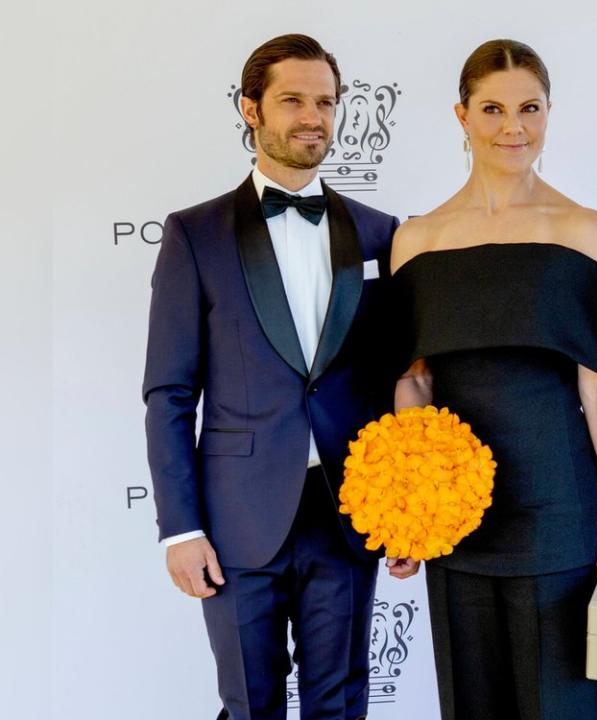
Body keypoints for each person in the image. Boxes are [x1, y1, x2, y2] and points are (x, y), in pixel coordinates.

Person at [386, 39, 597, 720]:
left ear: (549, 113)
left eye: (529, 108)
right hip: (457, 527)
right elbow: (415, 385)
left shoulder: (584, 231)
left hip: (557, 521)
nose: (513, 127)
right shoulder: (418, 239)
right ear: (461, 115)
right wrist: (411, 507)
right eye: (493, 109)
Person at [143, 34, 399, 720]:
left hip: (348, 514)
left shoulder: (381, 234)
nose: (313, 116)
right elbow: (169, 393)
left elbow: (397, 383)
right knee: (251, 705)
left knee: (340, 704)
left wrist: (405, 514)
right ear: (251, 109)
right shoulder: (195, 234)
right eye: (293, 100)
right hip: (235, 518)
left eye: (325, 101)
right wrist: (180, 529)